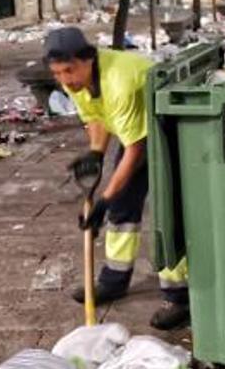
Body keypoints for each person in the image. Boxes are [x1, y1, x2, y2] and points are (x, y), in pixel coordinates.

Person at [43, 27, 190, 330]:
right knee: (123, 206)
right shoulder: (74, 82)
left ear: (88, 60)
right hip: (137, 127)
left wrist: (103, 200)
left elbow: (135, 152)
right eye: (57, 73)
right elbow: (97, 117)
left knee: (167, 213)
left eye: (69, 70)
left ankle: (179, 296)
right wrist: (96, 154)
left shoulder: (117, 80)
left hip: (170, 128)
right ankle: (115, 280)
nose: (65, 80)